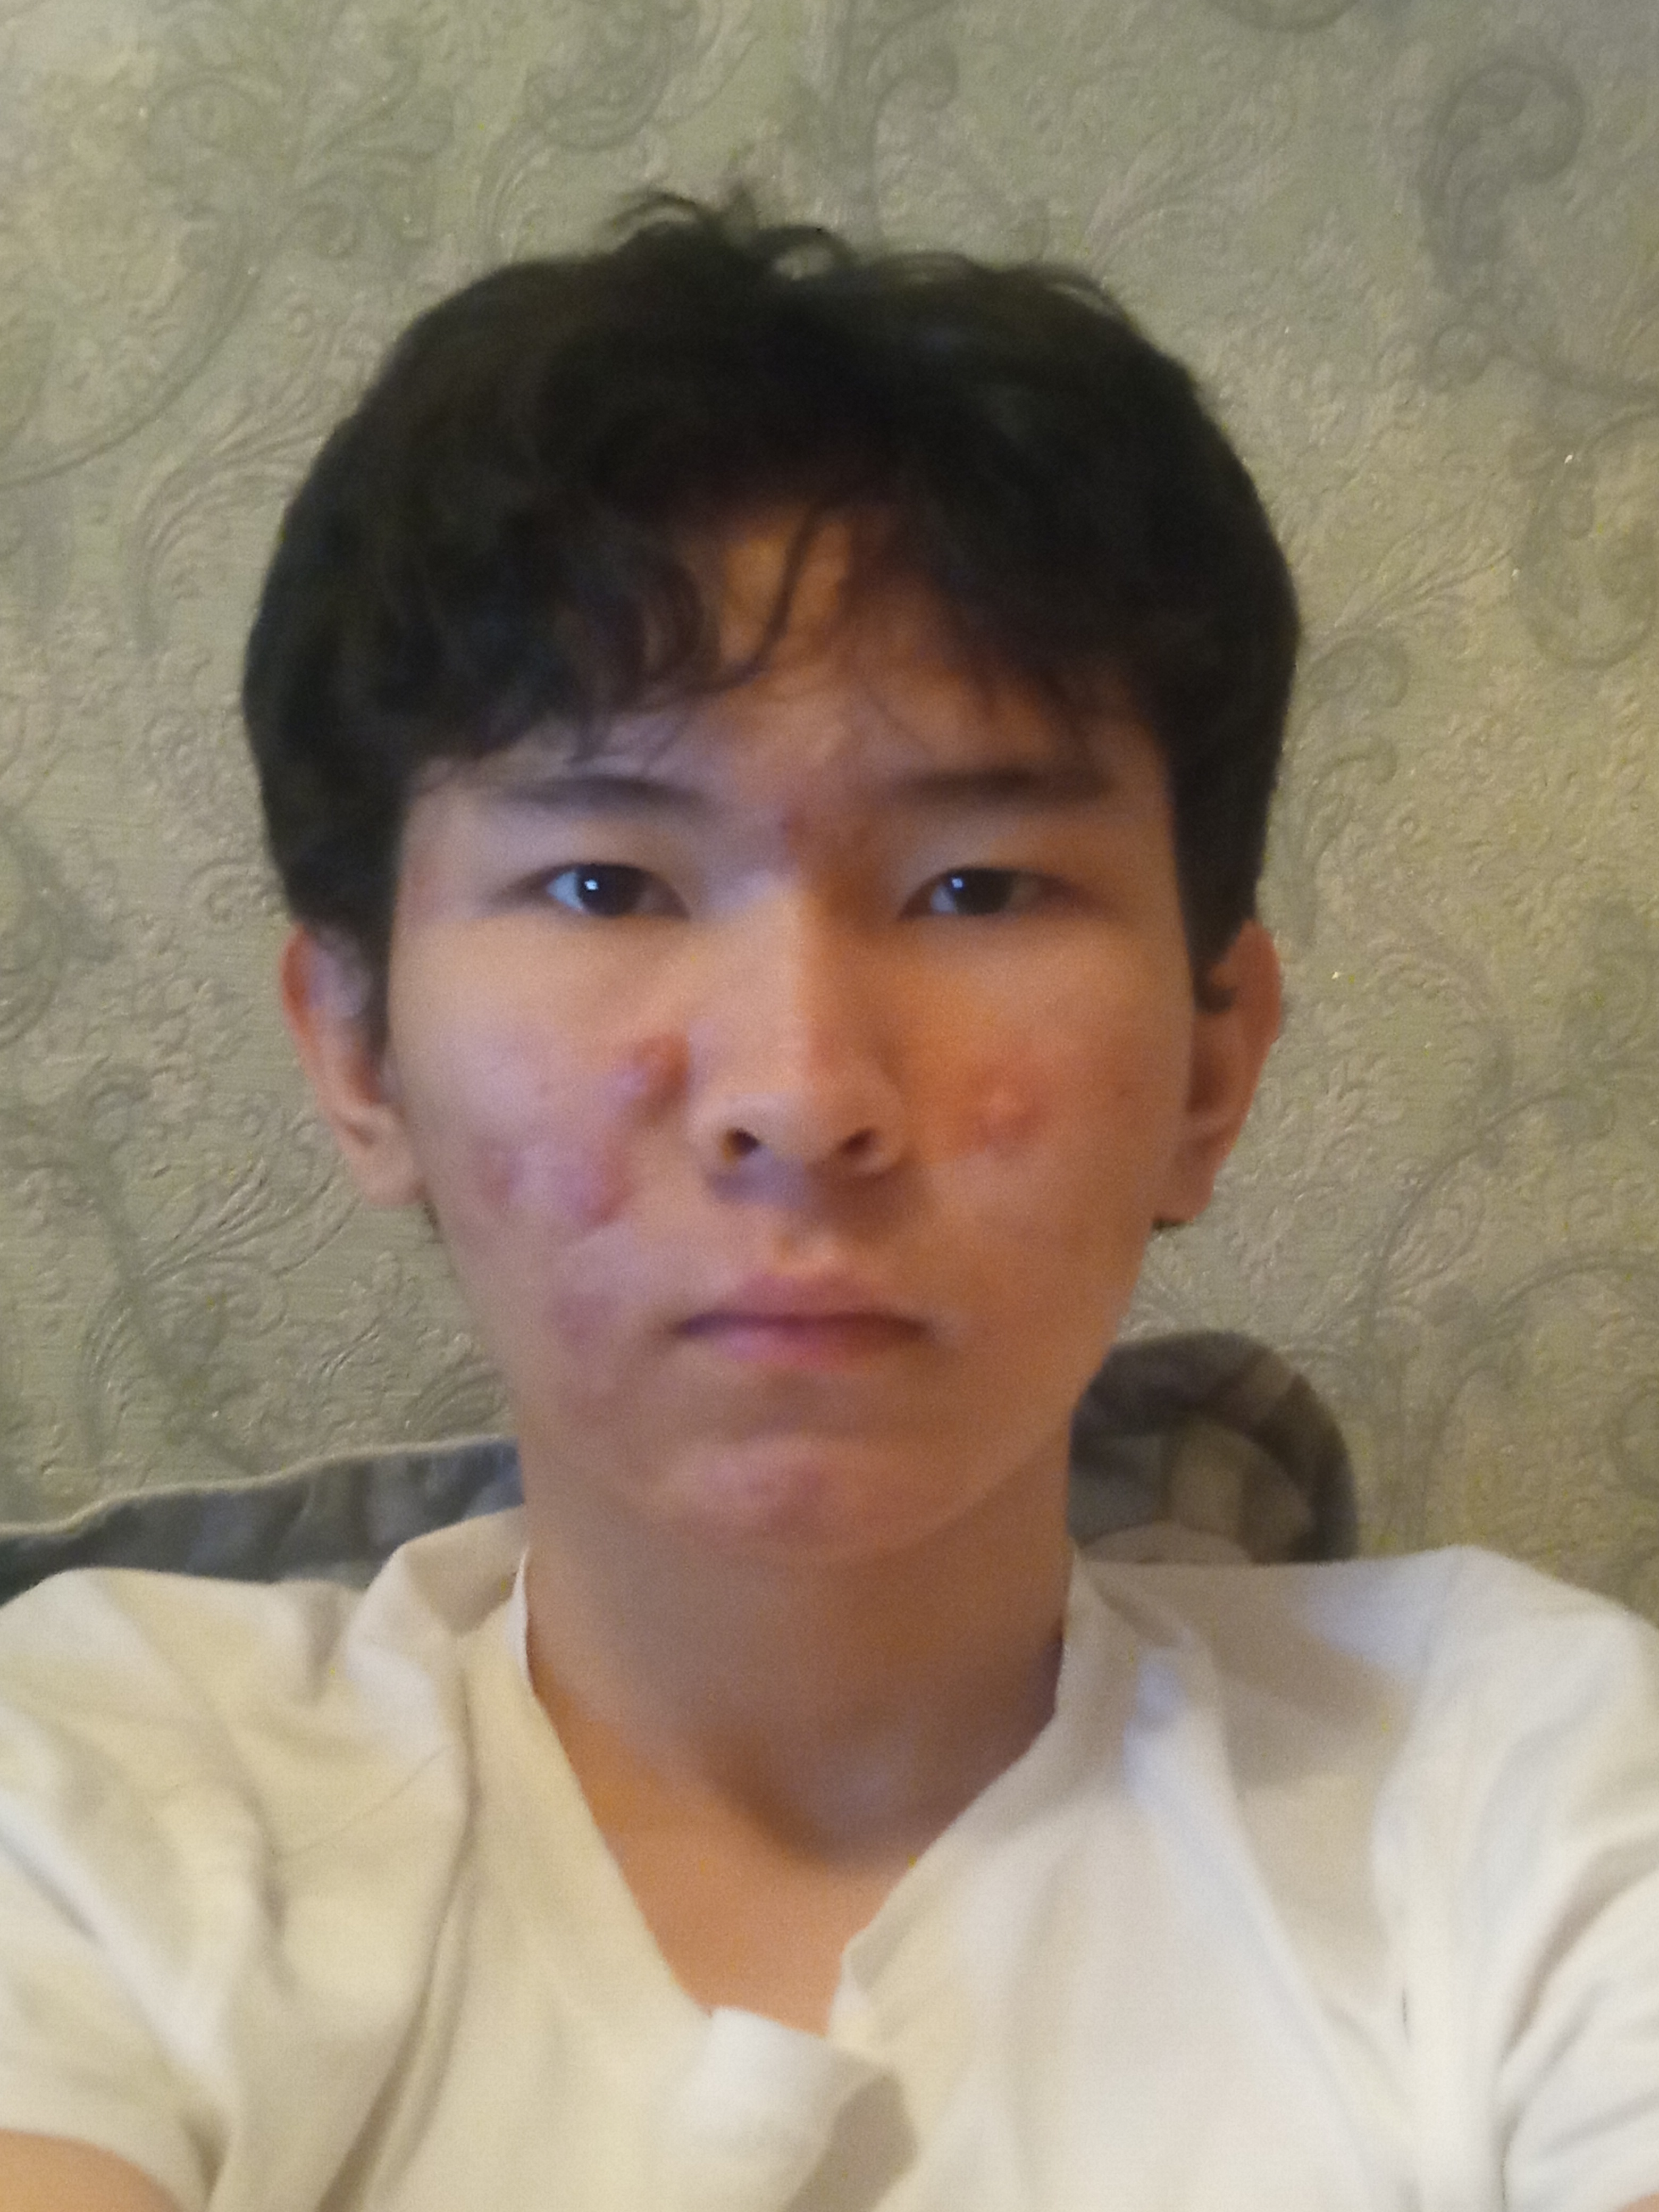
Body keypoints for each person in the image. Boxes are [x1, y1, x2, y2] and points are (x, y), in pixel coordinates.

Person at [0, 193, 1654, 2212]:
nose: (800, 1095)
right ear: (359, 1051)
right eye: (605, 883)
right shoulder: (89, 1790)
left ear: (1211, 1067)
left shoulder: (1529, 1789)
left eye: (978, 887)